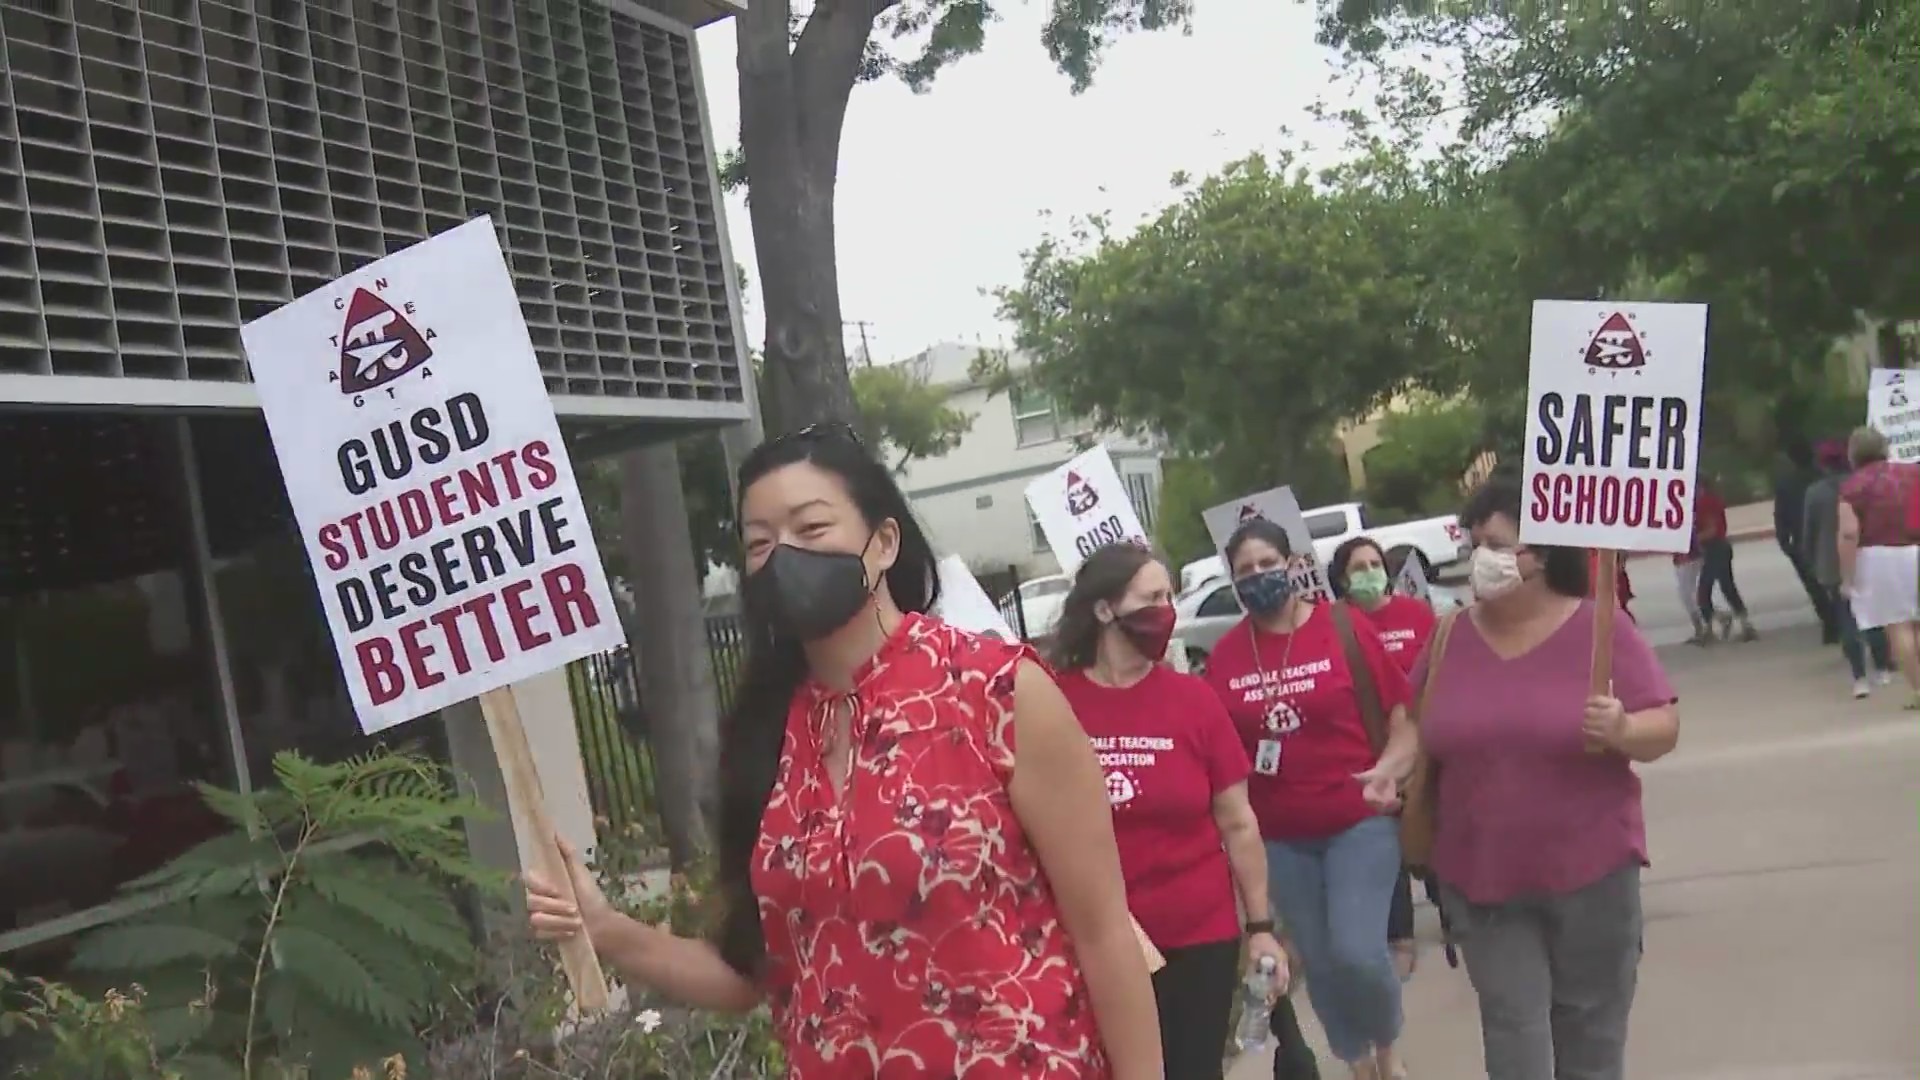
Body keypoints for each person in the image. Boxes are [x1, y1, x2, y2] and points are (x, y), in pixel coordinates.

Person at [524, 425, 1163, 1077]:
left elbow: (1105, 936)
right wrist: (605, 929)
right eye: (760, 543)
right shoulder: (764, 737)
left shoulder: (997, 691)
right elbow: (754, 977)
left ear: (883, 543)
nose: (783, 558)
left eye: (811, 528)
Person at [1408, 474, 1680, 1080]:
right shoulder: (1450, 635)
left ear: (1542, 553)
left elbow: (1664, 724)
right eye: (1475, 543)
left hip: (1591, 873)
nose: (1485, 559)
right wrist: (1387, 770)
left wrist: (1623, 730)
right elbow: (1415, 721)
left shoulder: (1600, 630)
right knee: (1514, 1036)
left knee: (1590, 1034)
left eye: (1501, 544)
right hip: (1479, 876)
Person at [1049, 543, 1286, 1080]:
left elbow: (1239, 822)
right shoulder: (1055, 703)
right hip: (1097, 939)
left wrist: (1262, 926)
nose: (1167, 608)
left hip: (1197, 935)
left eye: (1169, 595)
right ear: (1106, 609)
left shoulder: (1192, 701)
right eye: (1152, 597)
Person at [1202, 518, 1418, 1080]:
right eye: (1244, 571)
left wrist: (1389, 769)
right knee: (1320, 963)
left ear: (1293, 566)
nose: (1257, 578)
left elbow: (1404, 716)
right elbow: (1220, 758)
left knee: (1357, 951)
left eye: (1267, 565)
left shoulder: (1342, 628)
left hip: (1358, 820)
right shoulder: (1225, 658)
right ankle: (1355, 1060)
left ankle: (1388, 1047)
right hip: (1281, 838)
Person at [1328, 537, 1437, 981]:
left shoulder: (1416, 614)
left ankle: (1453, 909)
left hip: (1425, 742)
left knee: (1430, 834)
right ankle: (1400, 937)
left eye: (1376, 563)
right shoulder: (1339, 626)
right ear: (1342, 578)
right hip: (1375, 752)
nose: (1370, 572)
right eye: (1359, 566)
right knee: (1388, 844)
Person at [1803, 438, 1894, 698]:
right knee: (1874, 617)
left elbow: (1807, 533)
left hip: (1831, 564)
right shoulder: (1862, 485)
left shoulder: (1815, 493)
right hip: (1867, 556)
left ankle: (1859, 677)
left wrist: (1812, 561)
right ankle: (1882, 668)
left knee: (1847, 621)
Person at [1837, 425, 1920, 710]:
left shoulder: (1852, 488)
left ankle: (1918, 689)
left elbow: (1849, 532)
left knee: (1899, 626)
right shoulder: (1913, 473)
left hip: (1881, 557)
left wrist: (1848, 578)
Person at [1775, 437, 1838, 642]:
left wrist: (1785, 542)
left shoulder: (1785, 484)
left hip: (1801, 541)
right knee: (1837, 582)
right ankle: (1843, 621)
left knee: (1814, 587)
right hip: (1829, 535)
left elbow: (1780, 514)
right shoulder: (1825, 477)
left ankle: (1830, 625)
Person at [1694, 478, 1758, 641]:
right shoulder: (1715, 499)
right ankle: (1746, 625)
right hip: (1722, 546)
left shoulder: (1704, 502)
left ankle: (1710, 629)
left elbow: (1711, 530)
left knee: (1703, 591)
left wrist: (1693, 540)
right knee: (1727, 587)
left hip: (1714, 548)